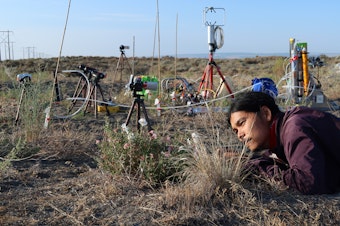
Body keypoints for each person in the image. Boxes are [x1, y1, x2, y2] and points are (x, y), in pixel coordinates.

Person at [227, 91, 340, 195]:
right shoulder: (281, 134)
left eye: (242, 123)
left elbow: (308, 182)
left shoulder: (294, 127)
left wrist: (257, 167)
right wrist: (246, 161)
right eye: (236, 131)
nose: (239, 135)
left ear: (266, 113)